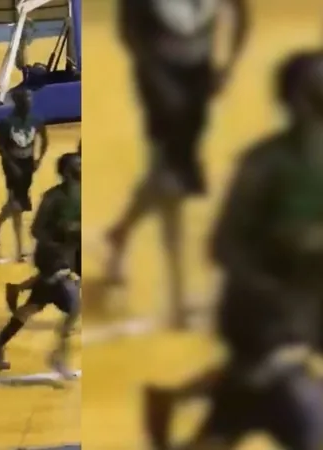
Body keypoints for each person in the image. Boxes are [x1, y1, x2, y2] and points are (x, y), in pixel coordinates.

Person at [142, 50, 323, 450]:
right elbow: (223, 246)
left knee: (238, 411)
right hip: (265, 320)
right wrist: (275, 294)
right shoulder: (265, 166)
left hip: (301, 311)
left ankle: (173, 399)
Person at [106, 0, 249, 328]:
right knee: (173, 181)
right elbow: (129, 31)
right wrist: (156, 78)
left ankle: (120, 233)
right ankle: (177, 298)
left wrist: (227, 65)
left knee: (171, 174)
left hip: (197, 77)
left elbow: (242, 14)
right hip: (160, 79)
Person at [0, 152, 81, 379]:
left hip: (71, 254)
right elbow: (36, 230)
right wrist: (64, 233)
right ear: (67, 172)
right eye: (78, 165)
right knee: (75, 307)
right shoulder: (53, 198)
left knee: (35, 305)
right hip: (51, 257)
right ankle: (58, 357)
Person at [0, 89, 49, 261]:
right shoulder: (6, 123)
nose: (29, 101)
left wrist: (39, 159)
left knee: (16, 202)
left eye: (30, 98)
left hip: (28, 164)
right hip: (11, 165)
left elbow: (44, 140)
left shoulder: (36, 121)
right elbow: (0, 147)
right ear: (18, 101)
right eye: (25, 98)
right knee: (17, 206)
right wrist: (11, 164)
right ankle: (20, 248)